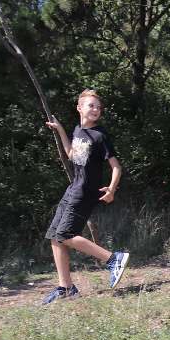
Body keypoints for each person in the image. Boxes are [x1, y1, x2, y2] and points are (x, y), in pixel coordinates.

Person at [42, 89, 130, 303]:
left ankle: (113, 259)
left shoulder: (101, 136)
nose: (96, 109)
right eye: (91, 105)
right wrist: (62, 130)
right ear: (79, 107)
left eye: (98, 107)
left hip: (85, 192)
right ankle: (66, 287)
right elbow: (72, 155)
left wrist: (111, 189)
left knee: (66, 234)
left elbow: (116, 167)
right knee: (55, 235)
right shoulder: (78, 131)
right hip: (73, 189)